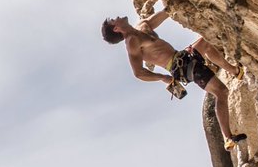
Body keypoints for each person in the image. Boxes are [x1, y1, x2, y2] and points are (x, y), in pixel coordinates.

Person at [101, 9, 247, 150]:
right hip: (181, 67)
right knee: (221, 92)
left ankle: (235, 71)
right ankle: (228, 137)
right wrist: (163, 77)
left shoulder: (142, 26)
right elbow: (138, 73)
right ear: (116, 29)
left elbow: (168, 10)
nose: (118, 17)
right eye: (114, 20)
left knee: (206, 43)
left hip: (182, 56)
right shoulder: (132, 42)